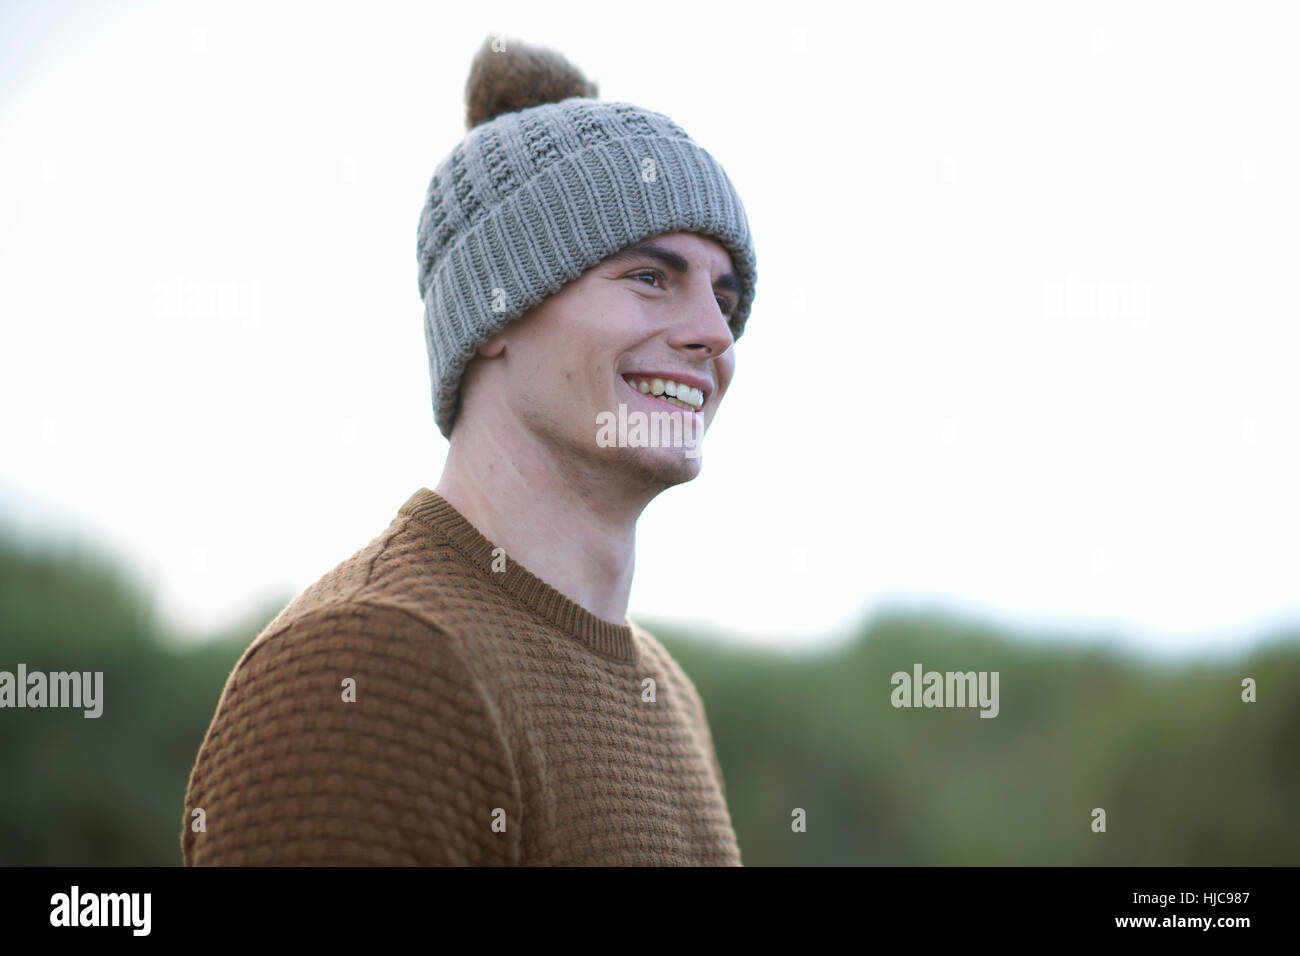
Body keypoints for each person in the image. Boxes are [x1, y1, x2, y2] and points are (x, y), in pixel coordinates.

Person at [181, 33, 757, 866]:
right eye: (649, 277)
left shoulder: (664, 693)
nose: (715, 333)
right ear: (496, 315)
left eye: (726, 295)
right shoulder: (368, 666)